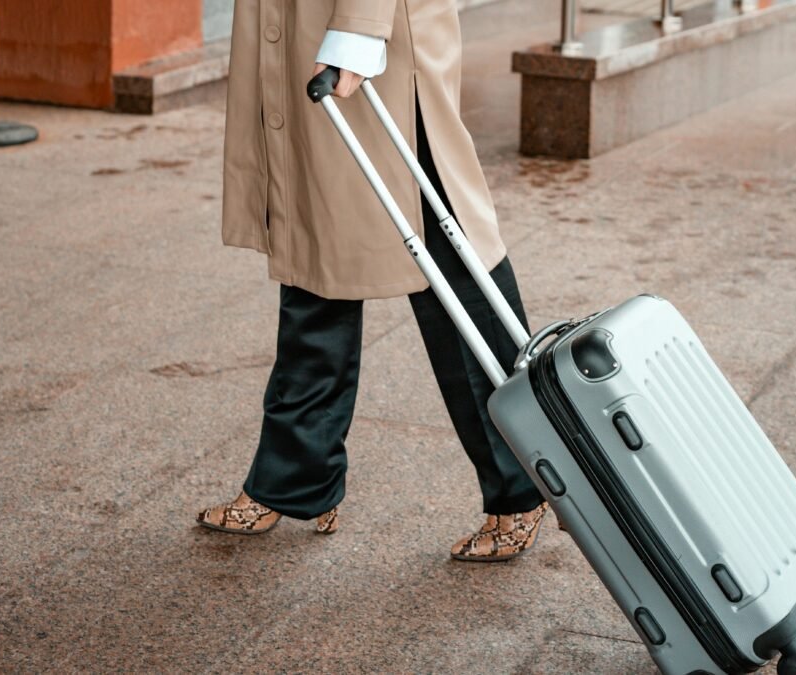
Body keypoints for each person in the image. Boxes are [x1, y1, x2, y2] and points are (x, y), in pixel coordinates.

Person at [197, 0, 550, 561]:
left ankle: (522, 482)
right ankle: (295, 480)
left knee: (449, 259)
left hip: (374, 40)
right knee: (315, 254)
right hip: (304, 27)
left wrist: (358, 31)